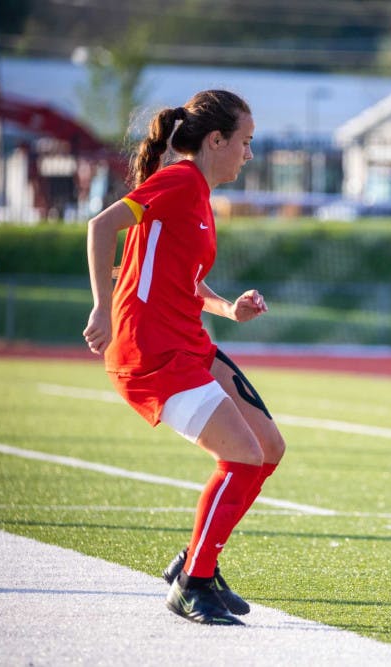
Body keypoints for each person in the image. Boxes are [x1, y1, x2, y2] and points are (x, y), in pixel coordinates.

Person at [82, 90, 285, 626]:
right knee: (243, 457)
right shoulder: (178, 180)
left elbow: (186, 281)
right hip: (150, 352)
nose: (248, 154)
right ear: (215, 141)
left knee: (268, 448)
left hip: (188, 341)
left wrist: (227, 307)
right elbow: (100, 227)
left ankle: (199, 562)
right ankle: (194, 583)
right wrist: (103, 309)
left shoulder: (197, 193)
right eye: (244, 142)